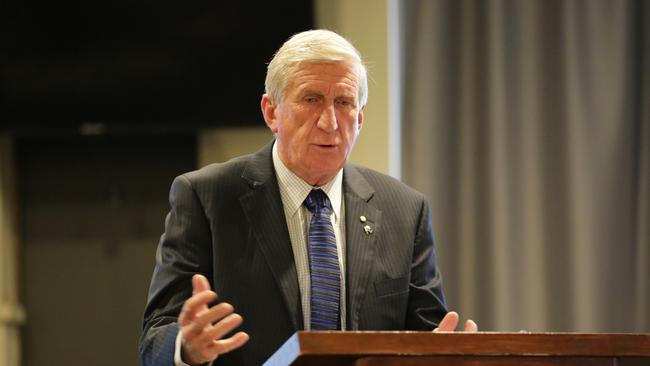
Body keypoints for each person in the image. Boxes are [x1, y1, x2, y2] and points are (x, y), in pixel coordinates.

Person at [139, 29, 476, 366]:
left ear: (359, 118)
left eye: (344, 103)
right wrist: (187, 347)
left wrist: (448, 355)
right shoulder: (207, 197)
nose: (329, 123)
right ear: (271, 112)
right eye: (311, 99)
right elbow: (154, 342)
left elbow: (428, 336)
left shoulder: (404, 209)